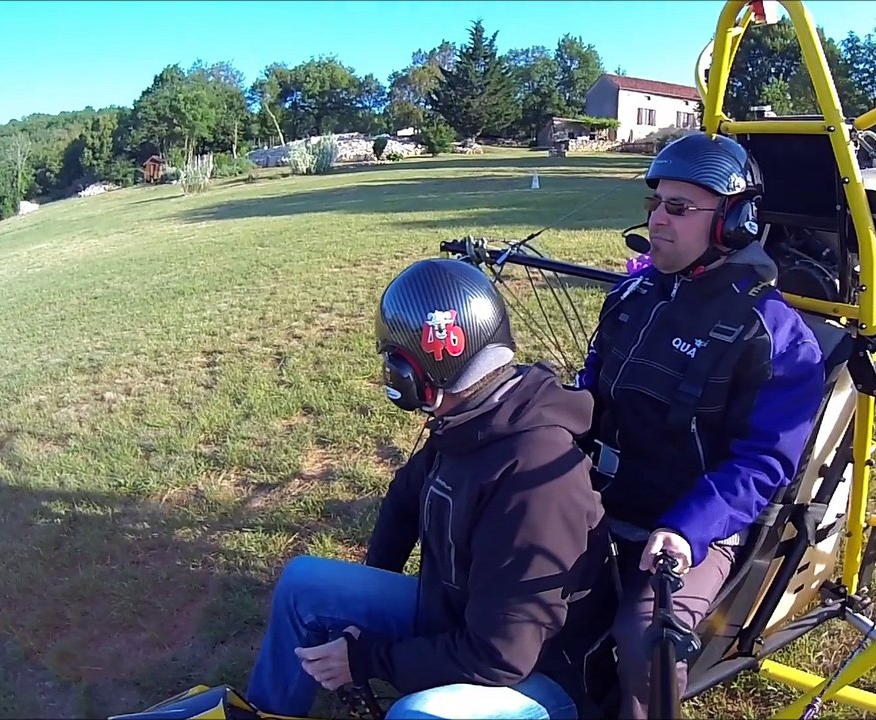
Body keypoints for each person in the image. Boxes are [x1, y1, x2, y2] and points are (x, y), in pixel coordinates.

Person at [246, 258, 613, 720]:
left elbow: (502, 655)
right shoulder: (472, 418)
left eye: (394, 360)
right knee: (304, 584)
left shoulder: (535, 479)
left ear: (424, 372)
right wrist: (362, 615)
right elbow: (403, 502)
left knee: (416, 714)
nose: (388, 372)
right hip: (461, 618)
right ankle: (267, 713)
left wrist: (368, 658)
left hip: (539, 677)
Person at [574, 132, 827, 718]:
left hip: (694, 529)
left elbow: (763, 465)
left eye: (679, 208)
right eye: (655, 204)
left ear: (733, 222)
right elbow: (593, 392)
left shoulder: (777, 337)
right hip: (603, 498)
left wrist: (688, 529)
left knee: (646, 645)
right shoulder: (633, 296)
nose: (658, 220)